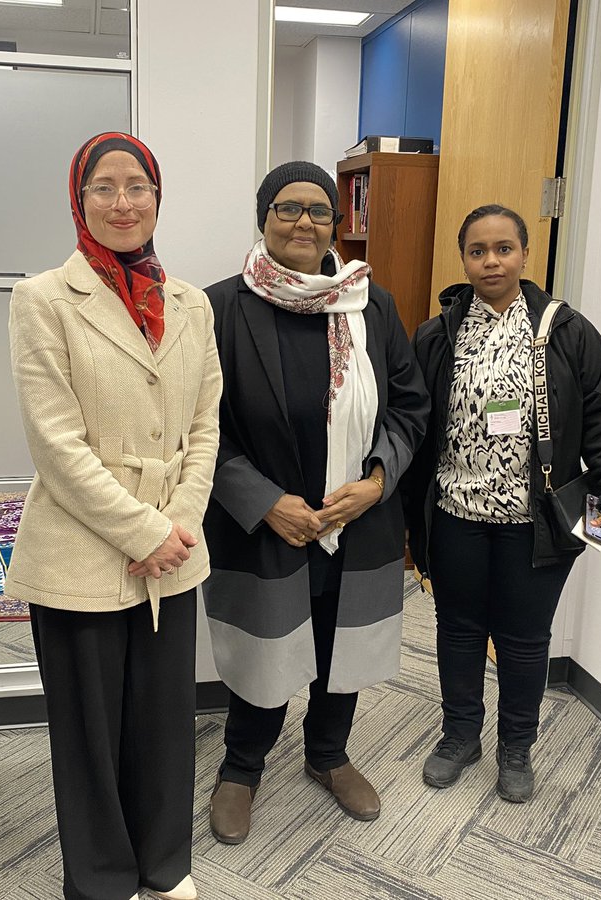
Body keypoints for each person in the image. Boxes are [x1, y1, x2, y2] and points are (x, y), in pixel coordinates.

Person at [6, 132, 221, 900]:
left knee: (165, 728)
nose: (123, 202)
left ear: (158, 198)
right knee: (91, 739)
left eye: (138, 186)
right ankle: (99, 882)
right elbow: (56, 444)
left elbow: (205, 427)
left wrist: (178, 525)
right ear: (79, 198)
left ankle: (164, 871)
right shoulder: (41, 298)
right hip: (80, 552)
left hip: (176, 548)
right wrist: (142, 531)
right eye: (105, 187)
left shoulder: (193, 304)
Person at [202, 161, 429, 844]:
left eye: (320, 211)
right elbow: (197, 427)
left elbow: (411, 405)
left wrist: (378, 481)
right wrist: (267, 500)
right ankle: (242, 767)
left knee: (342, 647)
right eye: (288, 208)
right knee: (265, 651)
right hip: (267, 522)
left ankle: (328, 754)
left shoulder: (373, 304)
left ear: (337, 223)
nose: (305, 222)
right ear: (263, 217)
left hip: (356, 521)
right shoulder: (222, 306)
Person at [405, 205, 601, 802]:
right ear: (463, 259)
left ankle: (517, 746)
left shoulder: (568, 331)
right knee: (457, 629)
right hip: (457, 514)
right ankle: (460, 734)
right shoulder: (437, 335)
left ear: (525, 255)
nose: (491, 261)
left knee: (523, 638)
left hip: (536, 523)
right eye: (478, 250)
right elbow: (416, 425)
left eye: (503, 249)